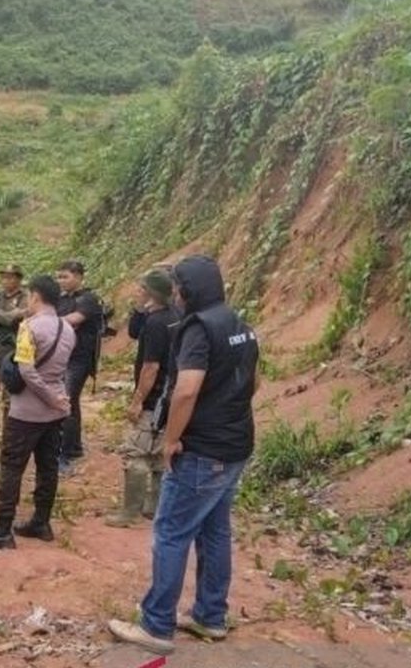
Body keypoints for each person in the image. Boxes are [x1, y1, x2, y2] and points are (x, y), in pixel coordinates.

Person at [108, 255, 260, 656]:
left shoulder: (198, 328)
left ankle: (156, 626)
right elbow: (253, 380)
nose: (174, 293)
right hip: (235, 446)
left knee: (171, 534)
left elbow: (187, 389)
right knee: (215, 532)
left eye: (178, 287)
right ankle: (211, 617)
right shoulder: (238, 323)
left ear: (189, 290)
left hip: (201, 449)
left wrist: (172, 439)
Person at [0, 275, 75, 549]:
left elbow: (27, 371)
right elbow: (59, 371)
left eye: (29, 297)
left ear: (36, 297)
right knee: (48, 467)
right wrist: (57, 399)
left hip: (26, 412)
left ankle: (2, 529)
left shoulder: (29, 327)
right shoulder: (68, 329)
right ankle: (41, 522)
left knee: (12, 468)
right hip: (54, 415)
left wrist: (50, 398)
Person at [106, 269, 180, 528]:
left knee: (136, 452)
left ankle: (129, 512)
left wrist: (137, 400)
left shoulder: (157, 323)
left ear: (151, 293)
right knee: (160, 453)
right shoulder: (176, 317)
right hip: (171, 396)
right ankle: (154, 506)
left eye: (141, 288)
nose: (137, 291)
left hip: (154, 400)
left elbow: (150, 367)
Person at [54, 260, 105, 476]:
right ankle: (73, 447)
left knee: (65, 401)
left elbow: (73, 320)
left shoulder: (89, 299)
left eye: (65, 276)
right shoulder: (61, 299)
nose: (61, 281)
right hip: (63, 357)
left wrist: (47, 321)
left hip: (79, 359)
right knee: (70, 402)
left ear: (78, 276)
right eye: (59, 277)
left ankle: (64, 455)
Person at [0, 264, 30, 434]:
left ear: (19, 279)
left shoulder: (26, 296)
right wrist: (6, 316)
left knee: (11, 399)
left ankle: (9, 435)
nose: (6, 280)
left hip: (14, 353)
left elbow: (20, 317)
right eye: (4, 277)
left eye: (11, 277)